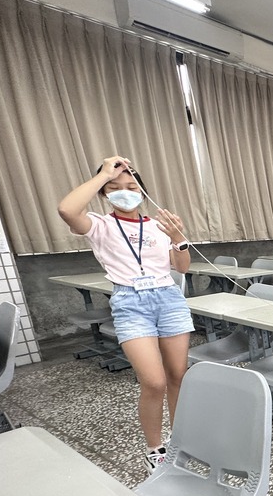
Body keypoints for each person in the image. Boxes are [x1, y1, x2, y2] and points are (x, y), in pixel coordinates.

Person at [58, 156, 194, 474]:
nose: (124, 192)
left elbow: (182, 267)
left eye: (132, 187)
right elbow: (67, 210)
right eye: (114, 187)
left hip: (169, 299)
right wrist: (104, 173)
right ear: (104, 193)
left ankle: (181, 440)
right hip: (130, 302)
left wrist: (178, 238)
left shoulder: (159, 226)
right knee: (154, 382)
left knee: (178, 376)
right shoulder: (100, 226)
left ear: (143, 192)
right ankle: (154, 449)